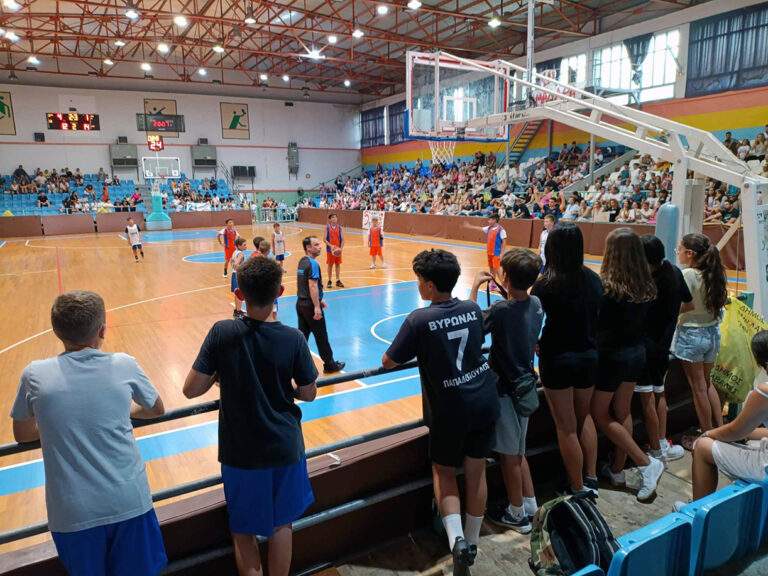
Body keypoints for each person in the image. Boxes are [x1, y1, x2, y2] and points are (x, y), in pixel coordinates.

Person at [10, 291, 167, 576]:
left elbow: (22, 434)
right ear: (102, 329)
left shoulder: (34, 374)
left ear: (56, 331)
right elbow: (156, 408)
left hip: (72, 514)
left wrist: (59, 423)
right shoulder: (124, 364)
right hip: (129, 502)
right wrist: (119, 413)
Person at [184, 257, 318, 576]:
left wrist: (222, 374)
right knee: (282, 524)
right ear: (280, 292)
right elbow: (309, 392)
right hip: (285, 446)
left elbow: (191, 389)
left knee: (244, 530)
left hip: (241, 451)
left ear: (239, 294)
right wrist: (285, 387)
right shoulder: (293, 338)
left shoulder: (222, 332)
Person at [382, 249, 500, 576]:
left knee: (444, 472)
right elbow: (471, 323)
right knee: (477, 472)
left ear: (430, 286)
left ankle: (456, 541)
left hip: (451, 408)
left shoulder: (419, 320)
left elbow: (388, 361)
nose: (418, 285)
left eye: (420, 281)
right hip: (485, 399)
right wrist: (474, 289)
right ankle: (472, 542)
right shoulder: (472, 309)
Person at [469, 249, 543, 534]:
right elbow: (517, 308)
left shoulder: (501, 311)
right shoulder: (535, 303)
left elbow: (472, 325)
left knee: (510, 456)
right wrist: (506, 291)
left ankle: (516, 514)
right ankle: (530, 504)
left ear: (508, 278)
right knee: (519, 450)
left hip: (506, 389)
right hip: (526, 384)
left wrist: (475, 287)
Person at [592, 229, 664, 502]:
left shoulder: (607, 288)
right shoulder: (646, 285)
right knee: (622, 411)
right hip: (636, 353)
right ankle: (618, 470)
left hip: (612, 357)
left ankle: (645, 462)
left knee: (599, 414)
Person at [531, 223, 600, 495]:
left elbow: (531, 322)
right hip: (588, 356)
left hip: (557, 358)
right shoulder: (593, 279)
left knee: (567, 427)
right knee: (584, 418)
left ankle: (578, 487)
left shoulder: (545, 284)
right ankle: (591, 476)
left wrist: (536, 342)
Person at [675, 331, 768, 510]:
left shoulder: (764, 392)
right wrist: (746, 434)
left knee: (702, 446)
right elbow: (743, 432)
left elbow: (735, 431)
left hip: (764, 467)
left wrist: (708, 433)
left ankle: (696, 511)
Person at [634, 235, 690, 463]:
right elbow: (689, 303)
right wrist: (671, 315)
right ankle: (662, 442)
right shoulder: (674, 271)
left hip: (647, 346)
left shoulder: (647, 280)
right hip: (664, 345)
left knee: (647, 398)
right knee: (659, 393)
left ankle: (656, 450)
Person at [673, 233, 728, 446]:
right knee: (707, 383)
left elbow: (682, 305)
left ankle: (707, 436)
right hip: (712, 332)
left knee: (698, 388)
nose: (677, 252)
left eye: (679, 249)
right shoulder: (713, 273)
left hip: (692, 335)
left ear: (689, 253)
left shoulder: (688, 274)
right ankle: (719, 429)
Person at [296, 236, 345, 374]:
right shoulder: (313, 264)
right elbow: (312, 285)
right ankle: (329, 365)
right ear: (308, 248)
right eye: (316, 245)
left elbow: (303, 284)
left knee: (302, 337)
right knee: (321, 336)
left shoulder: (302, 261)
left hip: (300, 304)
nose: (320, 246)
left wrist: (318, 299)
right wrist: (316, 306)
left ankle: (295, 365)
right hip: (310, 307)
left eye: (319, 244)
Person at [230, 237, 248, 318]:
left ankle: (237, 310)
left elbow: (231, 262)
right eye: (244, 245)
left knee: (237, 294)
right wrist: (242, 269)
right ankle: (238, 311)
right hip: (238, 275)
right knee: (240, 294)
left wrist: (235, 267)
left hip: (234, 274)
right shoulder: (240, 254)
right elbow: (236, 264)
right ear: (239, 246)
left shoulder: (235, 252)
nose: (246, 246)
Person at [325, 213, 344, 289]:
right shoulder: (327, 227)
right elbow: (324, 239)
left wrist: (340, 248)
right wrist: (331, 246)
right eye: (333, 217)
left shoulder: (340, 228)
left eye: (335, 217)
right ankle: (329, 280)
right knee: (330, 265)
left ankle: (337, 280)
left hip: (338, 250)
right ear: (330, 219)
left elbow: (343, 239)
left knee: (338, 264)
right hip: (330, 250)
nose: (334, 218)